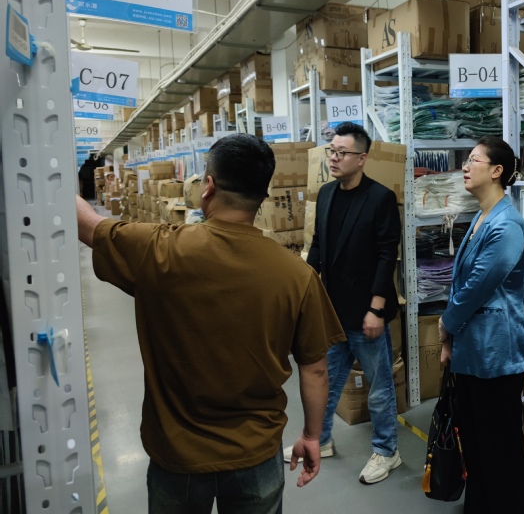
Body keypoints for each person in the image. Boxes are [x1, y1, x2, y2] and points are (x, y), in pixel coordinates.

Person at [76, 133, 345, 514]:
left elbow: (87, 224)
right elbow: (315, 369)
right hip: (256, 454)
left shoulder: (158, 249)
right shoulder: (297, 276)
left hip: (177, 456)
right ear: (263, 196)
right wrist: (312, 436)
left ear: (208, 187)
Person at [293, 122, 403, 485]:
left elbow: (387, 257)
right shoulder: (326, 194)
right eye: (332, 151)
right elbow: (318, 247)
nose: (334, 158)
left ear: (362, 158)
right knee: (324, 381)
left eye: (342, 153)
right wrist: (305, 290)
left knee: (380, 388)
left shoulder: (380, 198)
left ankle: (387, 451)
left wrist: (376, 309)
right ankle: (320, 439)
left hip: (366, 312)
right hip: (332, 311)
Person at [438, 136, 524, 514]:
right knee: (477, 446)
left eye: (474, 160)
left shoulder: (507, 224)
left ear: (496, 171)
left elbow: (478, 285)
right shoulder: (483, 216)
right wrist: (451, 340)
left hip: (496, 354)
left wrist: (447, 323)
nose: (466, 166)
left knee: (501, 450)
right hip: (474, 351)